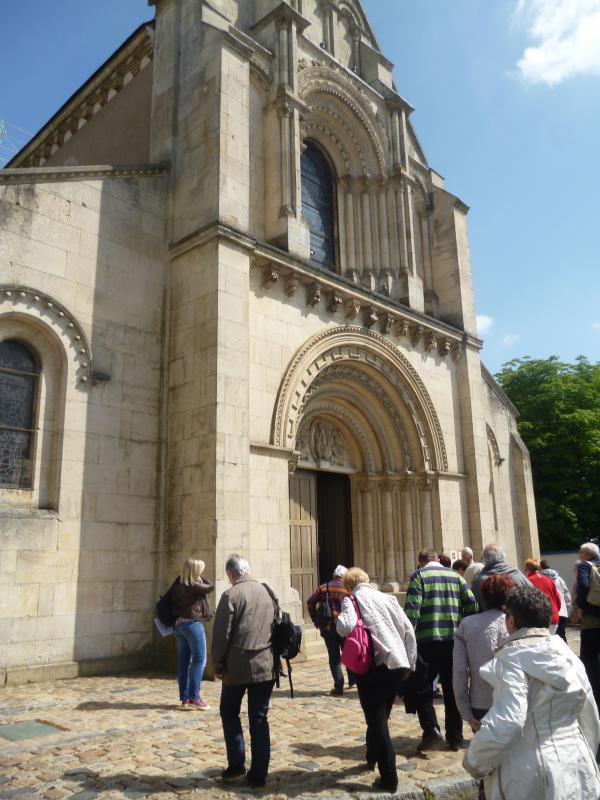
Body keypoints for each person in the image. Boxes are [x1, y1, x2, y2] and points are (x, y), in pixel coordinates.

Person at [463, 585, 600, 800]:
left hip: (529, 773)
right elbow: (590, 717)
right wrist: (587, 754)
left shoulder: (511, 661)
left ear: (511, 621)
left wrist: (474, 760)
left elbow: (509, 720)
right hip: (576, 763)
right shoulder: (569, 657)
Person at [337, 567, 417, 794]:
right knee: (380, 714)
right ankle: (371, 756)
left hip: (373, 665)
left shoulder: (351, 599)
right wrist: (410, 663)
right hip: (397, 663)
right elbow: (408, 630)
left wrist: (338, 620)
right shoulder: (388, 598)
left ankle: (389, 777)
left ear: (349, 585)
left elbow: (344, 627)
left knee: (377, 719)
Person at [212, 554, 277, 789]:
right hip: (266, 664)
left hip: (237, 667)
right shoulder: (267, 591)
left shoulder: (230, 595)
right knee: (259, 718)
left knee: (229, 711)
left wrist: (218, 665)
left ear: (231, 574)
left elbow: (221, 636)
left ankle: (237, 763)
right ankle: (259, 773)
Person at [405, 549, 478, 751]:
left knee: (422, 686)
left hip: (427, 641)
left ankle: (431, 729)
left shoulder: (419, 576)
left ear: (421, 562)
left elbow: (412, 612)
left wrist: (406, 640)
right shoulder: (456, 577)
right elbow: (472, 606)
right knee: (452, 689)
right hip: (454, 641)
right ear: (437, 559)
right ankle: (455, 737)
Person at [453, 575, 513, 731]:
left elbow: (459, 672)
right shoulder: (517, 624)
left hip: (480, 703)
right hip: (513, 702)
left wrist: (466, 712)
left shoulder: (467, 624)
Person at [171, 558, 214, 709]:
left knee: (184, 662)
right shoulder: (195, 585)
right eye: (200, 570)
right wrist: (201, 577)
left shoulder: (179, 585)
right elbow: (210, 586)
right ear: (196, 571)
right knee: (200, 660)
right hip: (193, 625)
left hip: (179, 626)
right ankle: (194, 697)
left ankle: (185, 697)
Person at [306, 565, 354, 696]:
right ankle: (352, 680)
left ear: (334, 575)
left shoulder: (323, 588)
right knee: (349, 654)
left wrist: (315, 619)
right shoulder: (348, 589)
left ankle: (339, 686)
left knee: (334, 657)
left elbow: (310, 602)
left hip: (328, 628)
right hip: (344, 628)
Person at [575, 542, 600, 712]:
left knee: (589, 659)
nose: (579, 555)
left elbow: (583, 586)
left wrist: (581, 605)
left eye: (580, 552)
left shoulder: (585, 566)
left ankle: (595, 698)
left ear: (586, 554)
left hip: (592, 619)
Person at [524, 558, 561, 633]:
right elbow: (558, 602)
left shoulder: (527, 581)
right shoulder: (549, 580)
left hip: (537, 620)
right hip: (553, 618)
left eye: (525, 569)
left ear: (528, 569)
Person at [540, 558, 571, 641]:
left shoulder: (542, 579)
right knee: (562, 636)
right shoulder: (559, 579)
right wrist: (566, 608)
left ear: (541, 567)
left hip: (551, 612)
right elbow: (567, 595)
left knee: (550, 638)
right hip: (562, 611)